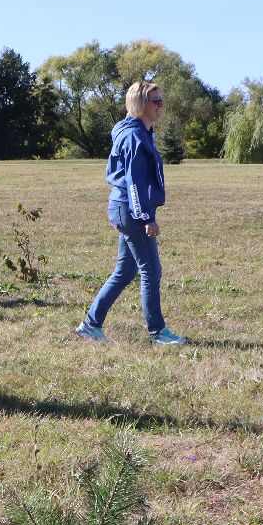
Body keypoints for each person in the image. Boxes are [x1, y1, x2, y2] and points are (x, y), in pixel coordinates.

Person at [74, 80, 187, 346]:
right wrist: (147, 217)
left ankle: (90, 325)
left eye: (161, 100)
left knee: (125, 271)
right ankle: (157, 332)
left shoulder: (141, 131)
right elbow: (134, 182)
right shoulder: (134, 136)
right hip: (130, 209)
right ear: (140, 104)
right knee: (151, 270)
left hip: (125, 207)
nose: (161, 106)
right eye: (156, 101)